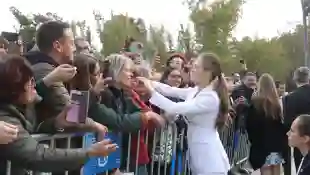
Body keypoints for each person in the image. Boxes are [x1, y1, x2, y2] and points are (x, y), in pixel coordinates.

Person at [0, 54, 117, 175]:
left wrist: (56, 123)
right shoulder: (5, 118)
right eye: (30, 81)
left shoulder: (18, 108)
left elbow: (31, 130)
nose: (34, 85)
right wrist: (89, 152)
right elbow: (37, 155)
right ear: (15, 88)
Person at [138, 52, 230, 175]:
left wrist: (150, 91)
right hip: (198, 152)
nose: (191, 69)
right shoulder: (197, 91)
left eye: (196, 67)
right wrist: (149, 82)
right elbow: (171, 90)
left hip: (209, 156)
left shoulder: (210, 97)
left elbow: (174, 108)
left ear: (207, 72)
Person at [245, 73, 286, 175]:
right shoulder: (277, 103)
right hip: (275, 146)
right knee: (276, 170)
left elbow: (250, 125)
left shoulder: (255, 103)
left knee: (265, 170)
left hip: (261, 145)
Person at [283, 67, 310, 175]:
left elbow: (287, 121)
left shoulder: (290, 98)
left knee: (301, 165)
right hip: (301, 135)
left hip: (300, 137)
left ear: (295, 79)